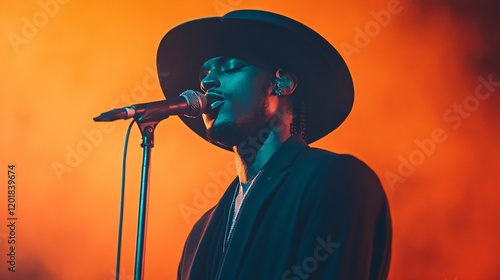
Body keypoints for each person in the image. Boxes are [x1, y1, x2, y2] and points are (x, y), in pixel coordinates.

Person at [157, 10, 392, 280]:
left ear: (283, 83)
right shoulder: (199, 237)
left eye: (231, 67)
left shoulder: (338, 180)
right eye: (204, 76)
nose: (207, 82)